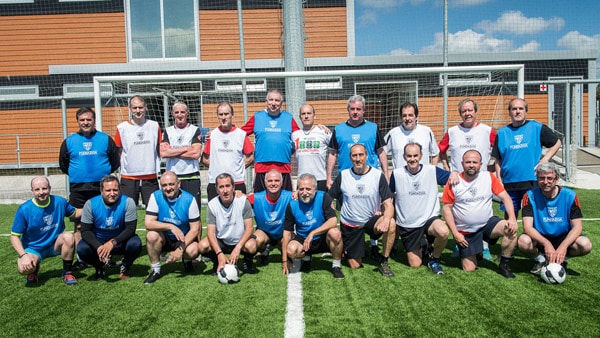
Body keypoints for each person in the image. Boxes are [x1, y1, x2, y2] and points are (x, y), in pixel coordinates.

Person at [327, 95, 389, 259]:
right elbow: (333, 153)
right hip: (347, 180)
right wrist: (329, 177)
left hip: (369, 179)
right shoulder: (339, 129)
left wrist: (386, 173)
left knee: (374, 212)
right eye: (352, 109)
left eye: (358, 109)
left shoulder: (373, 127)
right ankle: (346, 243)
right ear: (348, 110)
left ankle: (374, 245)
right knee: (348, 212)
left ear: (364, 110)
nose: (355, 112)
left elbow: (381, 152)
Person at [59, 106, 120, 271]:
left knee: (105, 223)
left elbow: (115, 162)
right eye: (82, 120)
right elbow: (63, 165)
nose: (85, 122)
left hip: (101, 188)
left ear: (94, 121)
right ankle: (82, 257)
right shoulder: (69, 141)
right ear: (78, 121)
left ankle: (106, 255)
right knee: (79, 225)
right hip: (78, 189)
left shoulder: (105, 139)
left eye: (89, 119)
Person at [441, 150, 518, 278]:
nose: (471, 165)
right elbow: (447, 209)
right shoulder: (454, 182)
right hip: (466, 231)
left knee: (510, 229)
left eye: (475, 162)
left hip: (487, 224)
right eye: (468, 162)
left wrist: (512, 218)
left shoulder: (488, 177)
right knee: (469, 268)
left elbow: (506, 198)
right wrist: (456, 234)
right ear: (462, 163)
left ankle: (504, 264)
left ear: (481, 164)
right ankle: (476, 250)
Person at [439, 98, 496, 260]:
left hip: (481, 179)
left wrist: (491, 167)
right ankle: (460, 243)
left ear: (476, 112)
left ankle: (484, 246)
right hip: (458, 180)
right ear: (460, 114)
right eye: (464, 111)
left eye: (470, 110)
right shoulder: (452, 131)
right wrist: (448, 168)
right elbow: (441, 150)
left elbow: (500, 149)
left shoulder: (487, 130)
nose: (467, 113)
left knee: (483, 210)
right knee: (458, 212)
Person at [328, 144, 396, 277]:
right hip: (351, 225)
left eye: (361, 155)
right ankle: (347, 249)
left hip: (371, 221)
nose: (358, 159)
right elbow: (328, 199)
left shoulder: (377, 175)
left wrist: (386, 219)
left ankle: (384, 261)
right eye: (354, 155)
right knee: (355, 265)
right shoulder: (344, 175)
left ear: (366, 156)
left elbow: (388, 204)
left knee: (392, 223)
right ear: (350, 157)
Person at [492, 98, 561, 218]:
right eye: (514, 109)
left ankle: (531, 237)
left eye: (520, 108)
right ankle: (511, 237)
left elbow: (557, 142)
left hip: (531, 181)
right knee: (510, 218)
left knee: (532, 217)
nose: (517, 111)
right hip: (509, 182)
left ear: (526, 111)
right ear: (509, 112)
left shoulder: (536, 127)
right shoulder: (502, 133)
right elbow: (498, 159)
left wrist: (545, 160)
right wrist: (499, 178)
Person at [518, 162, 592, 274]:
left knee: (585, 245)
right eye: (541, 178)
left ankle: (562, 260)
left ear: (556, 179)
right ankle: (541, 259)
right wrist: (546, 244)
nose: (545, 182)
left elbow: (577, 227)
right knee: (523, 241)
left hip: (562, 237)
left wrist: (563, 247)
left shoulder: (570, 195)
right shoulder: (529, 196)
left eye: (549, 178)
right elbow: (527, 227)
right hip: (539, 238)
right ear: (537, 179)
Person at [389, 142, 449, 274]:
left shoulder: (432, 171)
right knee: (415, 264)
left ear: (421, 156)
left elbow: (455, 179)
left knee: (443, 232)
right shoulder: (397, 174)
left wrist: (455, 174)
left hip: (429, 218)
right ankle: (425, 244)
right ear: (404, 157)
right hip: (409, 224)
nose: (412, 159)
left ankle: (435, 259)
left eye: (415, 155)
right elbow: (389, 195)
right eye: (409, 156)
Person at [10, 177, 79, 285]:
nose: (41, 192)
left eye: (44, 188)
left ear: (50, 188)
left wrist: (94, 207)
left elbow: (75, 213)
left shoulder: (59, 201)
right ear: (32, 191)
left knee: (69, 237)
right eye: (37, 189)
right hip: (34, 248)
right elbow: (14, 236)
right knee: (23, 268)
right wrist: (24, 255)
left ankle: (67, 272)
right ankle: (33, 269)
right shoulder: (24, 209)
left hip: (54, 244)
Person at [77, 175, 141, 281]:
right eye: (108, 190)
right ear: (101, 191)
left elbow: (130, 229)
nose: (112, 193)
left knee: (135, 244)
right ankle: (99, 266)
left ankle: (125, 265)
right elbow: (85, 231)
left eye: (115, 190)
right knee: (82, 248)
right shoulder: (90, 204)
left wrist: (113, 242)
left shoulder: (128, 202)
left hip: (119, 241)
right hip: (99, 242)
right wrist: (99, 247)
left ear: (119, 190)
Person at [282, 173, 344, 279]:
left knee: (335, 233)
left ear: (315, 189)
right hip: (303, 239)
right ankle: (306, 257)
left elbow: (333, 221)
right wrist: (284, 260)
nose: (304, 193)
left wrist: (313, 233)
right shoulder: (292, 205)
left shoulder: (324, 197)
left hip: (322, 238)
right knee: (291, 250)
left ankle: (336, 266)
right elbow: (287, 233)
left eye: (308, 189)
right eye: (301, 189)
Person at [144, 171, 201, 284]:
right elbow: (148, 223)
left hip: (184, 237)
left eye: (171, 184)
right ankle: (156, 270)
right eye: (164, 185)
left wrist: (180, 249)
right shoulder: (155, 196)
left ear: (178, 184)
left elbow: (195, 229)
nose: (168, 188)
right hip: (165, 238)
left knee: (193, 250)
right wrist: (170, 226)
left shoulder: (189, 199)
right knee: (151, 235)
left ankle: (186, 260)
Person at [241, 89, 299, 192]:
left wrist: (316, 128)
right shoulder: (257, 117)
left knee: (286, 202)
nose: (273, 103)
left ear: (281, 103)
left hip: (283, 167)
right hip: (262, 167)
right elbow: (240, 134)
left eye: (277, 100)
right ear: (266, 101)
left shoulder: (288, 118)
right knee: (260, 201)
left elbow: (300, 136)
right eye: (271, 100)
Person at [198, 173, 256, 274]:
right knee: (202, 246)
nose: (225, 191)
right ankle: (218, 261)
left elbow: (250, 228)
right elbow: (211, 233)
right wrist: (219, 253)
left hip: (240, 241)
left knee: (252, 245)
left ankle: (247, 261)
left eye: (228, 186)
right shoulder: (212, 205)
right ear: (216, 189)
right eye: (221, 187)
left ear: (233, 187)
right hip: (222, 241)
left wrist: (238, 248)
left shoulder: (242, 201)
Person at [115, 95, 162, 207]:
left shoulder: (154, 126)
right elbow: (118, 151)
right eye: (135, 108)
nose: (138, 111)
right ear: (130, 109)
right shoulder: (122, 128)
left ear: (145, 108)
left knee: (155, 210)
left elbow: (159, 149)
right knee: (127, 210)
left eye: (140, 107)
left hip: (150, 176)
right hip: (129, 177)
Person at [202, 101, 254, 200]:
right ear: (217, 116)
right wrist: (217, 167)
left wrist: (238, 168)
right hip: (215, 183)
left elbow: (251, 157)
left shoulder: (241, 134)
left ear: (232, 115)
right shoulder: (212, 135)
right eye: (221, 114)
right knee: (215, 214)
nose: (223, 117)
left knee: (238, 214)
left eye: (226, 114)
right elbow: (204, 159)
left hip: (236, 182)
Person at [246, 169, 293, 270]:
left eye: (276, 181)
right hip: (264, 232)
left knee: (292, 246)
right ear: (265, 183)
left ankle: (285, 252)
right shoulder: (255, 198)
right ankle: (264, 251)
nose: (273, 184)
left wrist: (326, 201)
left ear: (281, 183)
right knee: (254, 242)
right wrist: (237, 194)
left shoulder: (290, 196)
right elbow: (240, 200)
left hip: (283, 233)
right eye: (270, 181)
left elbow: (309, 197)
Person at [160, 101, 202, 208]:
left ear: (187, 113)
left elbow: (196, 153)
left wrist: (172, 151)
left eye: (182, 112)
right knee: (174, 210)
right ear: (172, 114)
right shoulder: (168, 131)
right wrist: (185, 148)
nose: (180, 115)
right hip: (173, 177)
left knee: (193, 210)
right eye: (177, 112)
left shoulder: (194, 130)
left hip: (191, 176)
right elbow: (164, 153)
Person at [384, 102, 439, 169]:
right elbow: (381, 154)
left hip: (423, 178)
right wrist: (386, 172)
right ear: (401, 117)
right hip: (401, 178)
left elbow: (435, 153)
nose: (407, 118)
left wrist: (432, 171)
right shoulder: (393, 134)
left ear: (416, 116)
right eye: (404, 115)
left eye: (410, 115)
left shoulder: (426, 131)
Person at [292, 104, 331, 191]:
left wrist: (329, 177)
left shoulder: (324, 132)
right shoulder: (295, 135)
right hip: (302, 180)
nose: (306, 116)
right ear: (300, 117)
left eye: (309, 113)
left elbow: (335, 151)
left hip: (320, 179)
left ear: (314, 116)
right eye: (303, 114)